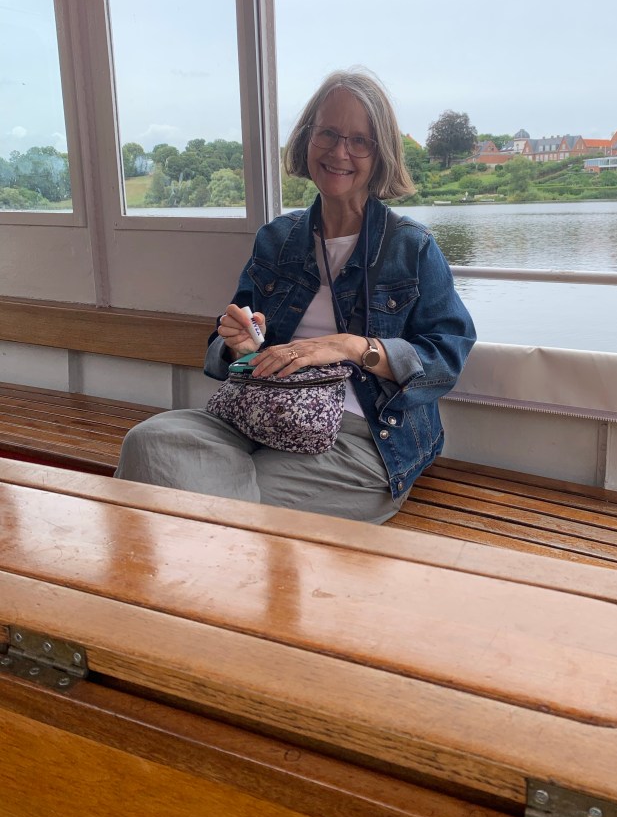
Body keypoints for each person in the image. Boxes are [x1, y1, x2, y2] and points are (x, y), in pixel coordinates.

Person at [116, 69, 476, 523]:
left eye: (359, 141)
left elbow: (447, 357)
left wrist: (351, 347)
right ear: (307, 138)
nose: (339, 152)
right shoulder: (277, 239)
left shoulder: (412, 247)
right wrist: (239, 345)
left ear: (380, 153)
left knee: (217, 503)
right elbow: (226, 350)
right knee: (148, 443)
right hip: (262, 414)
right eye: (328, 133)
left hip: (361, 436)